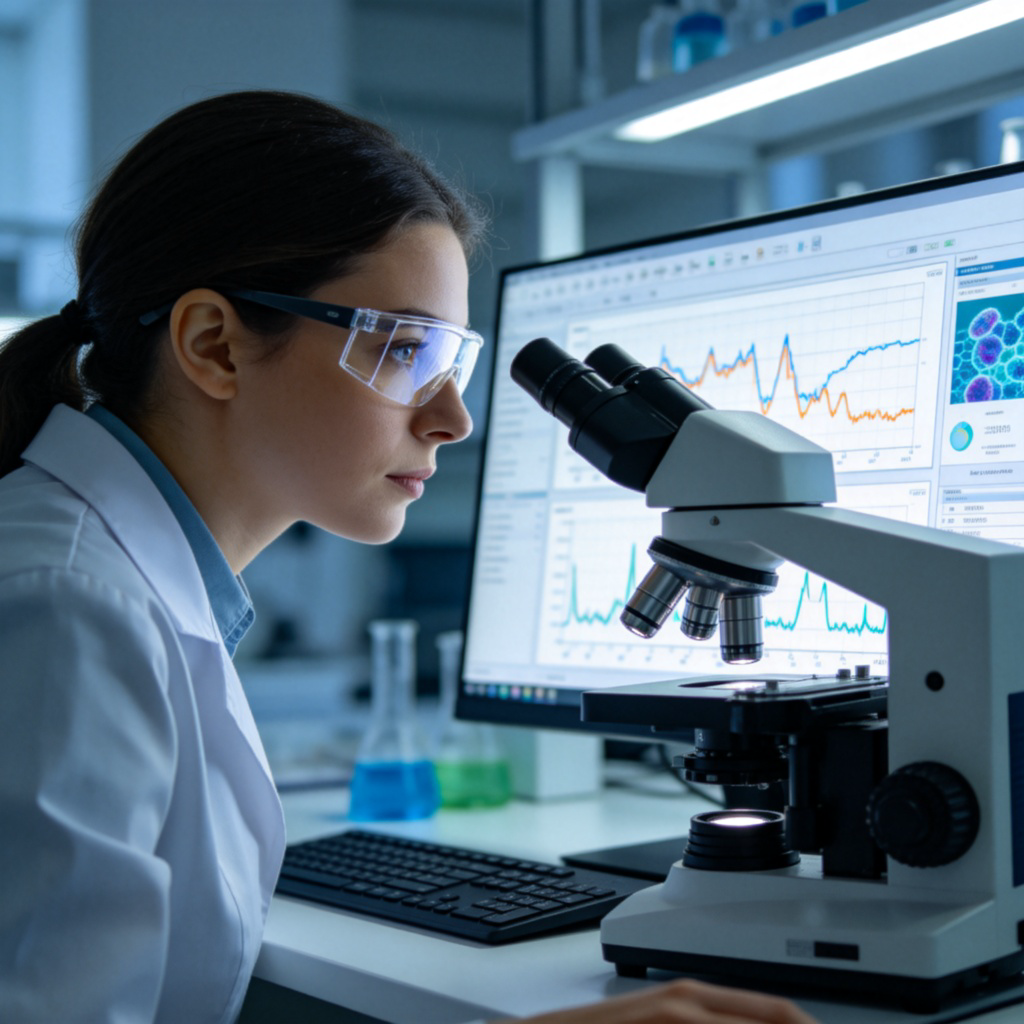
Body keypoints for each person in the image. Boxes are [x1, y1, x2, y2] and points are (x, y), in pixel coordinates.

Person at [0, 90, 816, 1024]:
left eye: (452, 361)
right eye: (401, 351)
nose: (453, 420)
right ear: (213, 346)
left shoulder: (114, 584)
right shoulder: (66, 608)